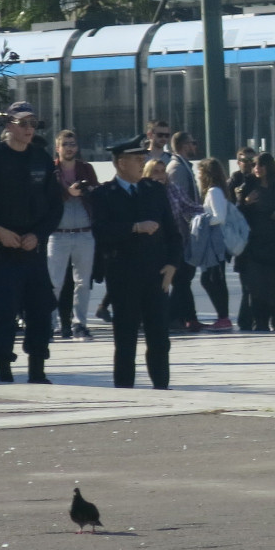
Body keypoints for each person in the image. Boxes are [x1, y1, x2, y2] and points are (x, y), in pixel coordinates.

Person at [0, 102, 65, 382]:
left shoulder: (41, 158)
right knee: (5, 311)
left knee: (40, 311)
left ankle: (37, 369)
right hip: (1, 250)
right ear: (8, 126)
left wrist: (39, 235)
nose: (29, 129)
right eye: (23, 124)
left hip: (33, 248)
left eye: (33, 123)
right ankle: (4, 369)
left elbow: (55, 206)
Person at [89, 139, 182, 389]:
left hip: (156, 274)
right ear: (121, 163)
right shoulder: (104, 194)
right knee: (126, 337)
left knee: (159, 337)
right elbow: (101, 230)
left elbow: (173, 232)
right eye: (137, 160)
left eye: (143, 159)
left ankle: (162, 386)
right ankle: (125, 388)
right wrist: (134, 228)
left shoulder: (154, 190)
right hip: (123, 274)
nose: (142, 164)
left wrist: (173, 265)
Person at [236, 152, 275, 332]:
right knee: (256, 287)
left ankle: (273, 320)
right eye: (255, 165)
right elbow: (237, 213)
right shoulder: (248, 185)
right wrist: (246, 202)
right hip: (254, 244)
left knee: (274, 287)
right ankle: (260, 322)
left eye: (261, 165)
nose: (257, 168)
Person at [48, 130, 100, 341]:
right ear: (58, 148)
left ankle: (80, 324)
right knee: (55, 282)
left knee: (83, 282)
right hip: (58, 233)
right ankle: (50, 324)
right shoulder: (52, 171)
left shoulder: (86, 169)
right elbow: (46, 198)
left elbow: (96, 193)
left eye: (72, 144)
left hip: (84, 232)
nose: (69, 148)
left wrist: (89, 190)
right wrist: (67, 193)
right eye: (65, 144)